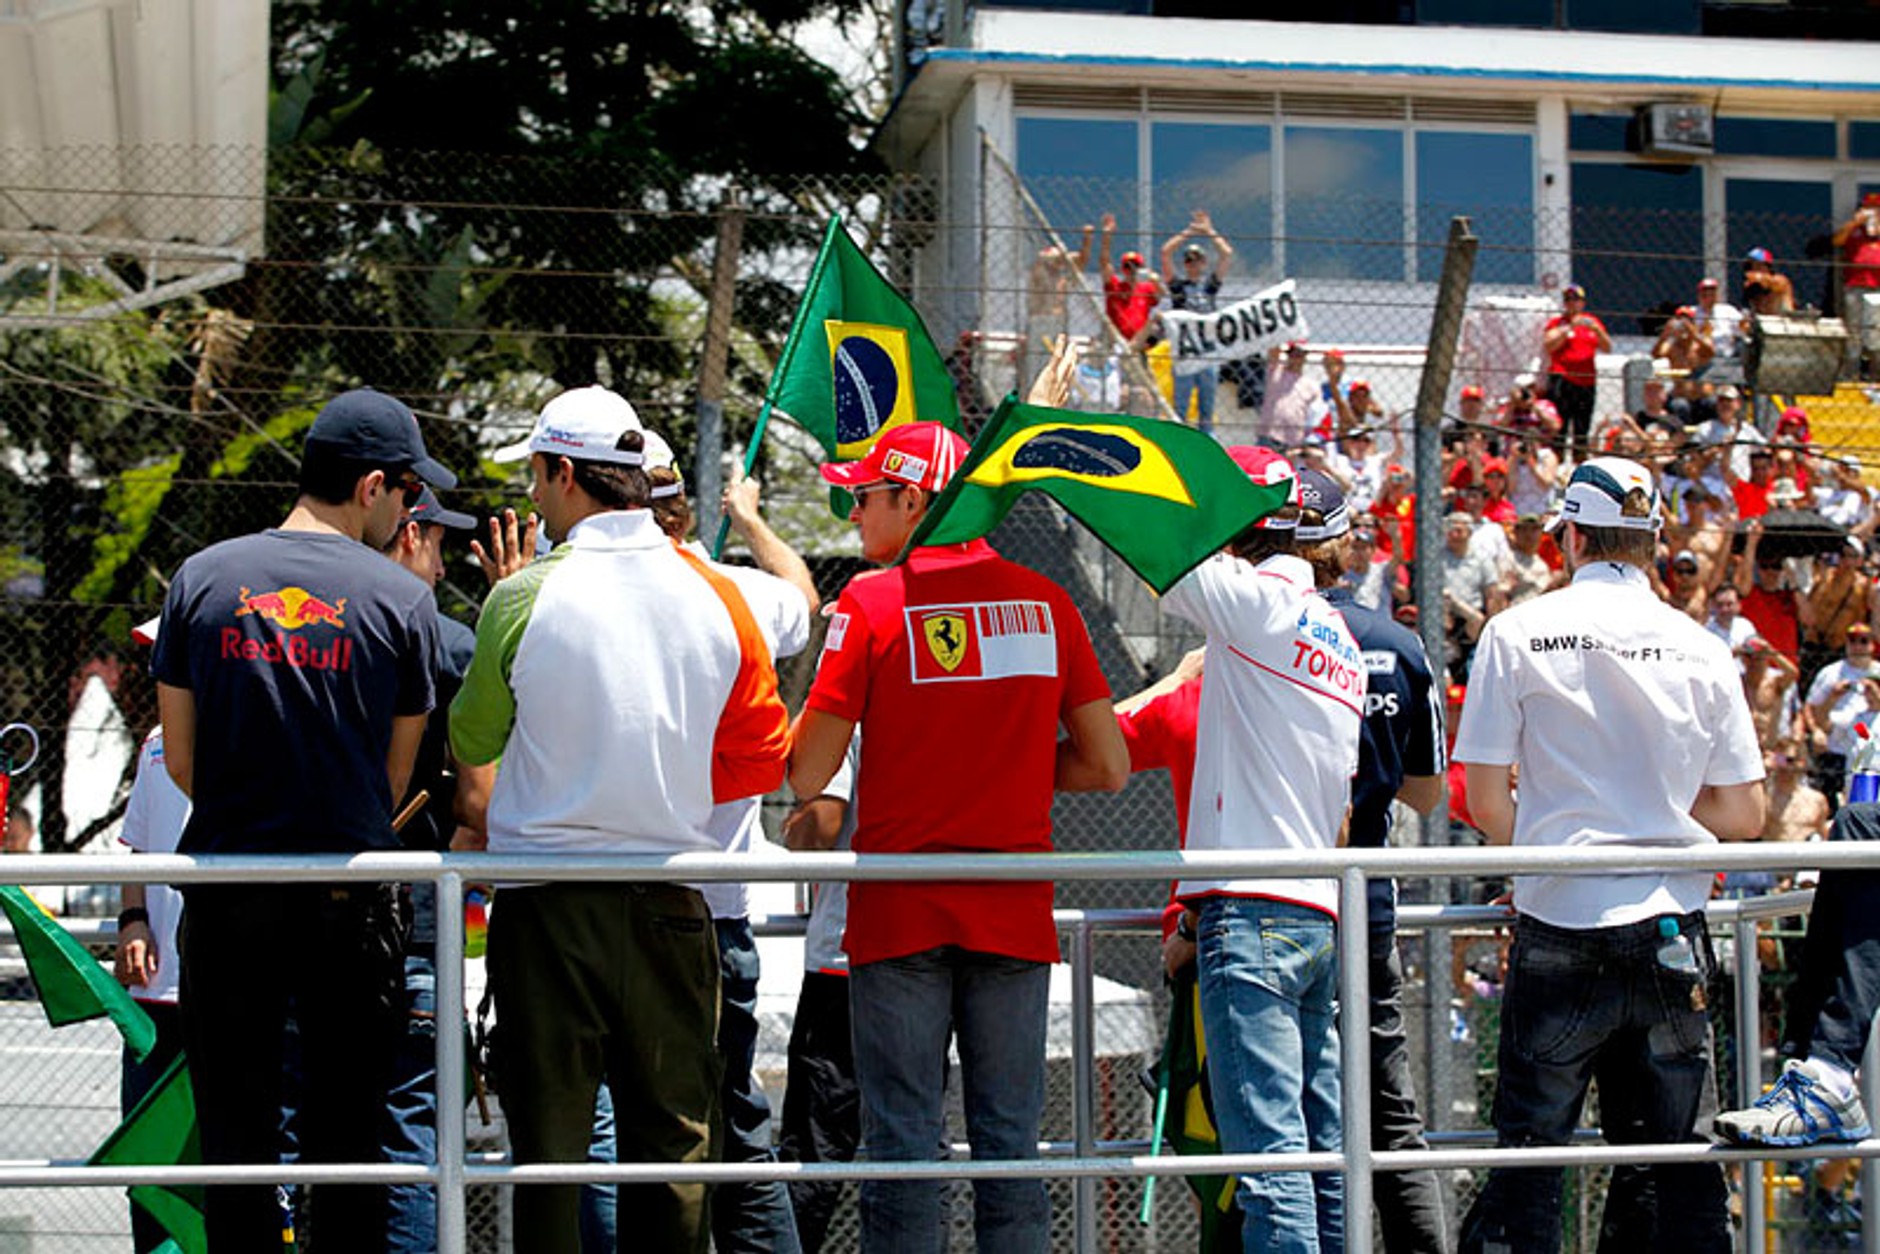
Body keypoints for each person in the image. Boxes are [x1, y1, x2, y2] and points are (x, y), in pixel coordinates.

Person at [449, 386, 791, 1252]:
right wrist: (663, 774)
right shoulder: (721, 595)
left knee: (550, 1153)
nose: (530, 494)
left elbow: (472, 736)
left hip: (548, 910)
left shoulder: (520, 598)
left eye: (534, 474)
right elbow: (761, 756)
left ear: (564, 472)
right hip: (675, 904)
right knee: (676, 1144)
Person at [785, 420, 1127, 1252]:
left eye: (864, 496)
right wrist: (1006, 765)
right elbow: (1110, 764)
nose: (853, 512)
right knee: (1011, 1145)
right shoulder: (1047, 604)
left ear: (914, 498)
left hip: (899, 916)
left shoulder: (868, 603)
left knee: (904, 1145)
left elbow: (804, 777)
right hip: (1011, 911)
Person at [151, 388, 451, 1252]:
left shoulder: (201, 579)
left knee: (237, 1137)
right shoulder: (402, 601)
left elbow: (182, 760)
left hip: (230, 886)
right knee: (349, 1139)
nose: (406, 512)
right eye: (406, 492)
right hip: (349, 897)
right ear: (372, 487)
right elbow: (394, 777)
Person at [1452, 456, 1766, 1254]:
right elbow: (1744, 812)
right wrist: (1656, 804)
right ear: (1653, 542)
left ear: (1570, 537)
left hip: (1560, 917)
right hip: (1671, 922)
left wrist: (1559, 835)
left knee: (1531, 1160)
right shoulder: (1702, 645)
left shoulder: (1515, 631)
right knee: (1676, 1165)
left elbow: (1487, 804)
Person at [1158, 447, 1365, 1254]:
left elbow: (1159, 544)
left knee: (1271, 1160)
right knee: (1318, 1156)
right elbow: (1343, 814)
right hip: (1315, 911)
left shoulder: (1253, 607)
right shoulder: (1339, 637)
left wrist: (1056, 454)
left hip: (1252, 913)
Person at [650, 436, 814, 1254]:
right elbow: (801, 597)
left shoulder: (576, 596)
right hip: (719, 912)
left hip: (627, 901)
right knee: (734, 1124)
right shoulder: (741, 595)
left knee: (630, 1132)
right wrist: (749, 522)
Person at [1309, 471, 1450, 1254]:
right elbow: (1428, 794)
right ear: (1347, 549)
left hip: (1273, 900)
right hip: (1367, 904)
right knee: (1389, 1115)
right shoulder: (1398, 645)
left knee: (1287, 1116)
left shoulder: (1260, 634)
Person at [372, 483, 480, 1254]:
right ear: (409, 535)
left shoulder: (306, 616)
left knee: (298, 1136)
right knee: (410, 1136)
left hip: (308, 904)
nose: (441, 570)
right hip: (417, 912)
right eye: (439, 545)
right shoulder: (450, 645)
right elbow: (480, 797)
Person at [113, 615, 191, 1254]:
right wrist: (132, 919)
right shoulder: (156, 743)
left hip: (222, 997)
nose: (154, 671)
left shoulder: (254, 735)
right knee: (149, 1164)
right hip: (152, 1000)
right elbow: (134, 847)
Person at [778, 736, 862, 1254]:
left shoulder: (850, 717)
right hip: (935, 954)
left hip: (845, 957)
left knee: (814, 1146)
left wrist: (793, 827)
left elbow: (821, 828)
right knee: (918, 1142)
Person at [1159, 210, 1234, 433]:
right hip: (1184, 350)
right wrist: (1189, 232)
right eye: (1189, 261)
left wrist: (1209, 232)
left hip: (1207, 351)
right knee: (1181, 406)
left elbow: (1227, 254)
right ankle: (1180, 440)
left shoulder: (1209, 286)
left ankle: (1206, 442)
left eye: (1197, 260)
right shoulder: (1178, 287)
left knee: (1206, 408)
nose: (1193, 264)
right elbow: (1165, 253)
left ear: (1203, 263)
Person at [1542, 283, 1610, 461]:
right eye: (1568, 299)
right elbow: (1549, 345)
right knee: (1559, 430)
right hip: (1563, 379)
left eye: (1576, 299)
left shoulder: (1591, 322)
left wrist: (1596, 330)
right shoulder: (1557, 323)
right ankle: (1556, 468)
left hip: (1586, 382)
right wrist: (1569, 328)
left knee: (1582, 430)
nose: (1572, 303)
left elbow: (1607, 347)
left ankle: (1579, 465)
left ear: (1583, 302)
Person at [1099, 212, 1161, 345]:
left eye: (1136, 266)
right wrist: (1107, 237)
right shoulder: (1115, 287)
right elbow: (1104, 264)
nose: (1132, 270)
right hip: (1118, 343)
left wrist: (1156, 281)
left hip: (1140, 344)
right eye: (1128, 266)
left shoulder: (1146, 288)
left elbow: (1160, 298)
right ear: (1123, 269)